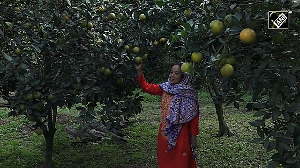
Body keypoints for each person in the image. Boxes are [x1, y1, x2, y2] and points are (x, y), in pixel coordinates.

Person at [135, 62, 200, 168]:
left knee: (181, 163)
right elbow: (148, 88)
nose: (172, 75)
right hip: (164, 132)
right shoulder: (165, 88)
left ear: (183, 76)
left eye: (176, 73)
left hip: (181, 134)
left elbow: (194, 117)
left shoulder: (189, 94)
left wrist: (193, 137)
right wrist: (139, 71)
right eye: (171, 72)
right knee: (165, 162)